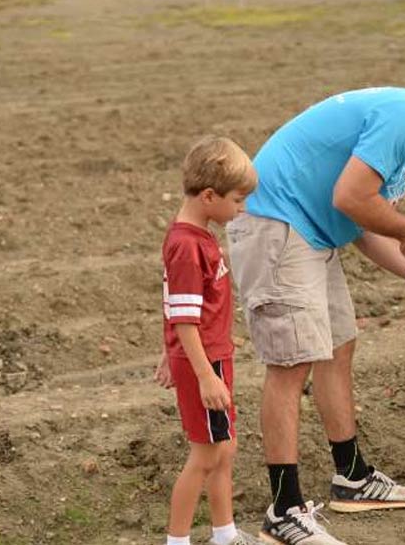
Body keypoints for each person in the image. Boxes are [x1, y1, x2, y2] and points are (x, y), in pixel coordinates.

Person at [226, 74, 405, 545]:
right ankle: (283, 508)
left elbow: (361, 223)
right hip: (278, 226)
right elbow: (351, 198)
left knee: (339, 345)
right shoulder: (403, 119)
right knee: (290, 365)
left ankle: (352, 476)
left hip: (312, 232)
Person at [155, 136, 260, 545]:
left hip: (213, 359)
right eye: (237, 200)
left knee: (225, 448)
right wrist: (204, 376)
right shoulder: (186, 246)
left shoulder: (197, 237)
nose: (242, 209)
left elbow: (175, 305)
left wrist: (170, 352)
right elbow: (183, 319)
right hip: (205, 364)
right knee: (206, 455)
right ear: (210, 195)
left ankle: (225, 533)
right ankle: (177, 540)